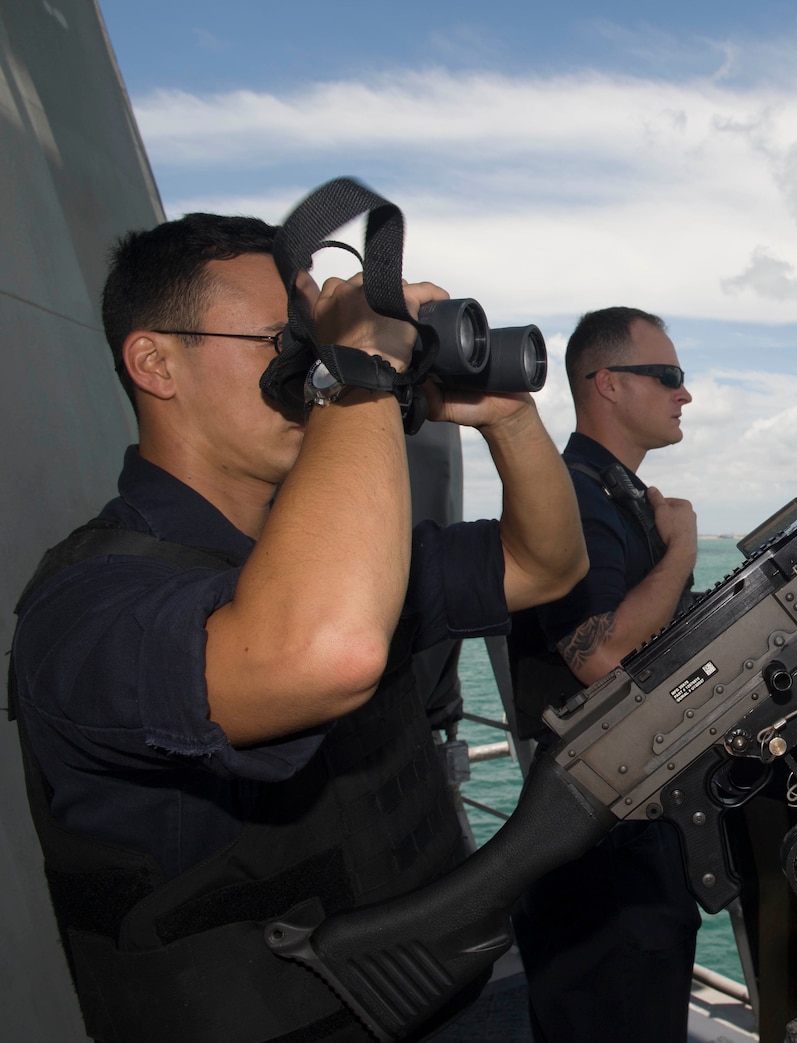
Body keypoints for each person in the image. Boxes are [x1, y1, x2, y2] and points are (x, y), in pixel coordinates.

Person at [7, 213, 587, 1043]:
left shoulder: (344, 553)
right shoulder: (85, 609)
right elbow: (326, 650)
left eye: (320, 343)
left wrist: (506, 417)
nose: (311, 369)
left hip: (452, 992)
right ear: (155, 363)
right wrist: (361, 373)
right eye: (288, 343)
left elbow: (545, 565)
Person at [508, 306, 702, 1043]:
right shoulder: (574, 498)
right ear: (608, 384)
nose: (685, 394)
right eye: (669, 377)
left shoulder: (611, 493)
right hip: (598, 846)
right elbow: (599, 656)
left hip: (619, 821)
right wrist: (680, 552)